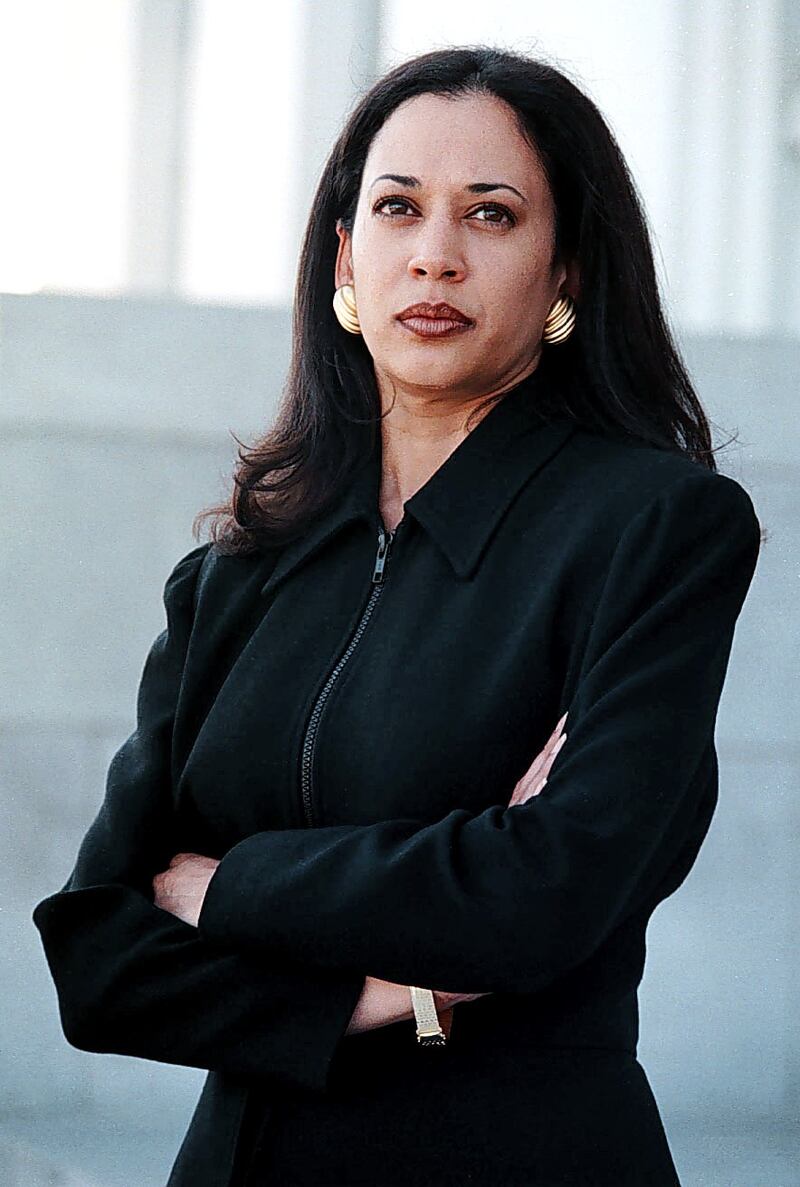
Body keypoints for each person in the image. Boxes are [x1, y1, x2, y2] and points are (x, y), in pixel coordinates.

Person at [32, 46, 762, 1187]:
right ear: (344, 253)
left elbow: (548, 890)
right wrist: (390, 990)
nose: (434, 253)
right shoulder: (240, 570)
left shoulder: (654, 528)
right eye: (396, 207)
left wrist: (226, 886)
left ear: (563, 268)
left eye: (491, 213)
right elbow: (98, 959)